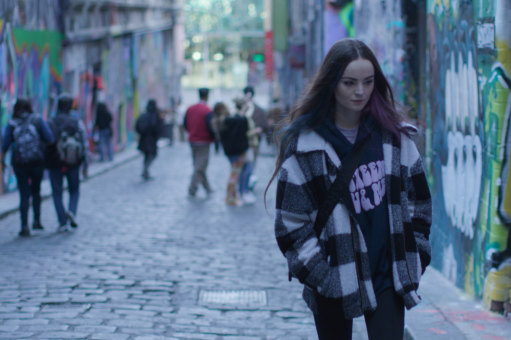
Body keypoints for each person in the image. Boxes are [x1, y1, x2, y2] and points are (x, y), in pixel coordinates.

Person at [269, 39, 432, 340]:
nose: (360, 91)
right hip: (333, 272)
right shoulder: (308, 146)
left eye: (368, 82)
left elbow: (419, 201)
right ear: (332, 83)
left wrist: (415, 253)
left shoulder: (394, 139)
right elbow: (290, 223)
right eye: (349, 83)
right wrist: (322, 275)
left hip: (387, 273)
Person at [1, 98, 54, 237]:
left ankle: (24, 225)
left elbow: (4, 145)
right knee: (36, 191)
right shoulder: (37, 120)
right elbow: (50, 138)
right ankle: (37, 221)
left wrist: (2, 162)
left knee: (23, 194)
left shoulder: (13, 124)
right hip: (37, 161)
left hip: (20, 163)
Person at [46, 93, 88, 232]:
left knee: (57, 192)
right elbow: (84, 143)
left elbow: (46, 141)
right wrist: (85, 163)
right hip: (73, 161)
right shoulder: (76, 122)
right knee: (74, 190)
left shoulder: (51, 122)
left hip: (54, 162)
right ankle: (72, 211)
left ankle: (62, 221)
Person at [216, 102, 249, 206]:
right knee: (234, 175)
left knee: (234, 174)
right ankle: (230, 198)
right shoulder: (227, 120)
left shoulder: (220, 121)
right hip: (237, 151)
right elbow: (243, 121)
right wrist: (243, 111)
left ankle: (231, 197)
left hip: (230, 152)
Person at [183, 88, 215, 197]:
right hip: (204, 142)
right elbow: (211, 127)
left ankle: (207, 188)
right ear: (207, 96)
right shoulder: (207, 110)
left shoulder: (190, 109)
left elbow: (185, 124)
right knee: (200, 167)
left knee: (199, 165)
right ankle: (192, 189)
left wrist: (192, 132)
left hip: (193, 141)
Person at [136, 99, 163, 180]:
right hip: (151, 139)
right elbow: (156, 127)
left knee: (147, 155)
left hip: (144, 138)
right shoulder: (154, 115)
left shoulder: (143, 115)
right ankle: (145, 170)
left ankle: (145, 171)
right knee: (152, 155)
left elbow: (137, 126)